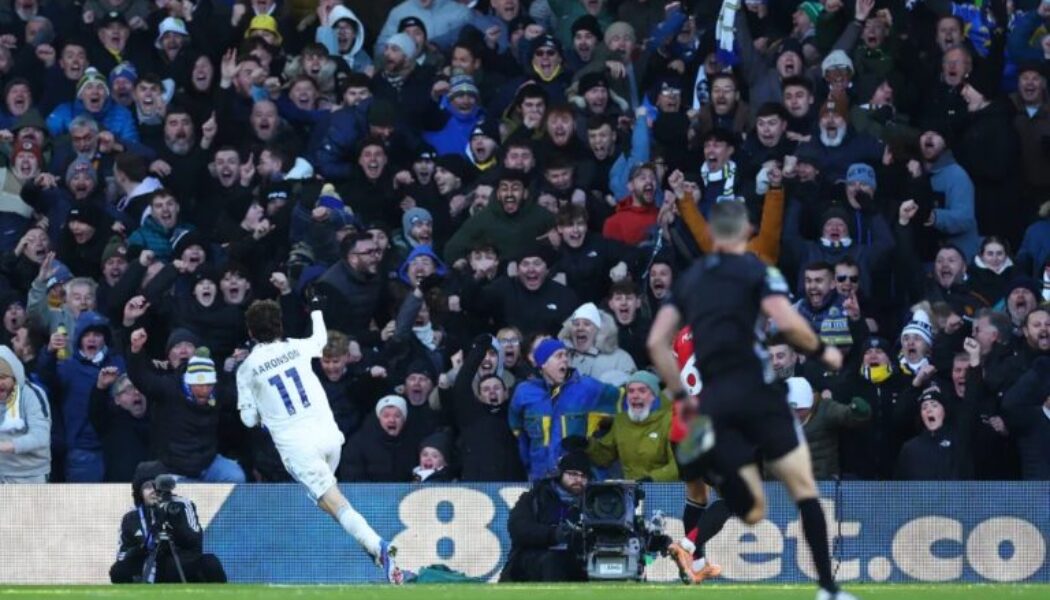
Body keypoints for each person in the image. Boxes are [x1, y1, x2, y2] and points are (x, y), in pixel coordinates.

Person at [647, 200, 854, 600]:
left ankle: (694, 556)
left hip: (693, 419)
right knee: (799, 489)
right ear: (744, 232)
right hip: (751, 401)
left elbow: (655, 342)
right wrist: (823, 352)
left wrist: (679, 397)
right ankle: (828, 588)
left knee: (701, 495)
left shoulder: (689, 286)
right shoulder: (757, 272)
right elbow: (789, 322)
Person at [236, 298, 403, 584]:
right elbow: (320, 339)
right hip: (329, 437)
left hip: (298, 446)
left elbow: (249, 420)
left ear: (250, 332)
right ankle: (375, 552)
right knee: (326, 500)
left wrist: (263, 411)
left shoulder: (248, 368)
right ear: (280, 326)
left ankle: (378, 547)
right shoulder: (296, 347)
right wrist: (316, 309)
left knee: (336, 504)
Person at [109, 461, 227, 584]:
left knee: (210, 563)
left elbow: (195, 541)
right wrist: (140, 549)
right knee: (118, 571)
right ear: (139, 492)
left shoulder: (182, 505)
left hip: (179, 564)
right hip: (148, 565)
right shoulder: (131, 517)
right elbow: (121, 556)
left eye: (157, 485)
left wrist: (174, 521)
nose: (153, 491)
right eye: (148, 487)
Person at [499, 451, 589, 582]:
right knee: (552, 561)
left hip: (576, 558)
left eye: (584, 476)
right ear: (560, 474)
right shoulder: (535, 497)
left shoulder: (593, 502)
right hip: (534, 558)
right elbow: (518, 529)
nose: (579, 480)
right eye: (573, 474)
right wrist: (553, 534)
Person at [0, 344, 51, 483]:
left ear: (14, 375)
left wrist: (5, 446)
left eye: (3, 377)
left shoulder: (31, 394)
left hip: (30, 475)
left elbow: (41, 437)